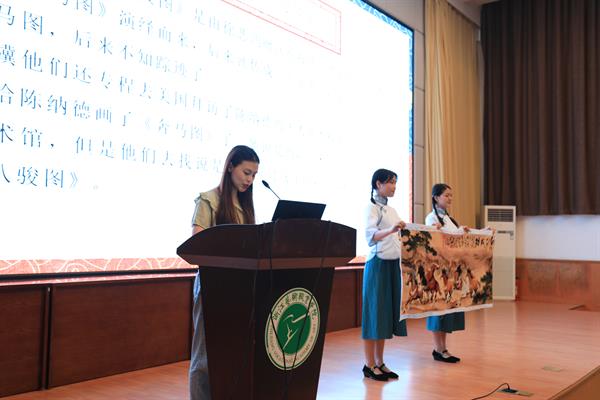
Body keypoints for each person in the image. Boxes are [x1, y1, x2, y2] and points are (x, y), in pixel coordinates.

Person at [189, 145, 260, 400]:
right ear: (230, 167)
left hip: (240, 288)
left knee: (232, 355)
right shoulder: (208, 200)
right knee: (204, 358)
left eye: (254, 175)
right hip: (212, 286)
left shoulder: (245, 205)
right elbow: (197, 245)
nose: (250, 180)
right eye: (246, 173)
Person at [362, 168, 408, 381]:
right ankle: (368, 364)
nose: (394, 187)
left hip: (392, 265)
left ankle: (380, 362)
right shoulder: (371, 208)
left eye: (395, 182)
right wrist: (391, 230)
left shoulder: (392, 210)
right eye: (390, 182)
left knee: (384, 316)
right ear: (378, 184)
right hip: (377, 265)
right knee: (374, 315)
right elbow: (370, 237)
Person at [424, 183, 467, 363]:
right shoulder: (431, 218)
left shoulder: (450, 219)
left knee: (447, 309)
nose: (450, 198)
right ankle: (438, 348)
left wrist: (464, 232)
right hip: (438, 270)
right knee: (438, 309)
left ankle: (443, 348)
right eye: (446, 195)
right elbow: (434, 241)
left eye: (451, 195)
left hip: (451, 270)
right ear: (436, 197)